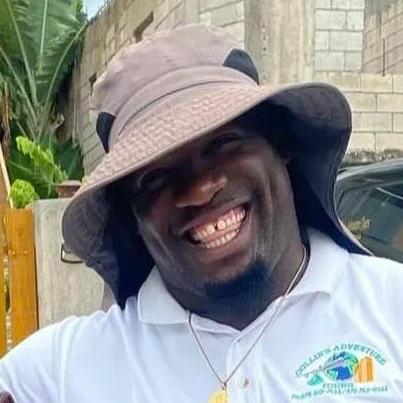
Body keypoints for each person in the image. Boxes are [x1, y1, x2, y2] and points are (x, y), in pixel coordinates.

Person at [0, 24, 402, 402]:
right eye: (155, 177)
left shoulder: (390, 308)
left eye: (223, 143)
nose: (197, 190)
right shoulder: (58, 374)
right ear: (130, 214)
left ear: (280, 143)